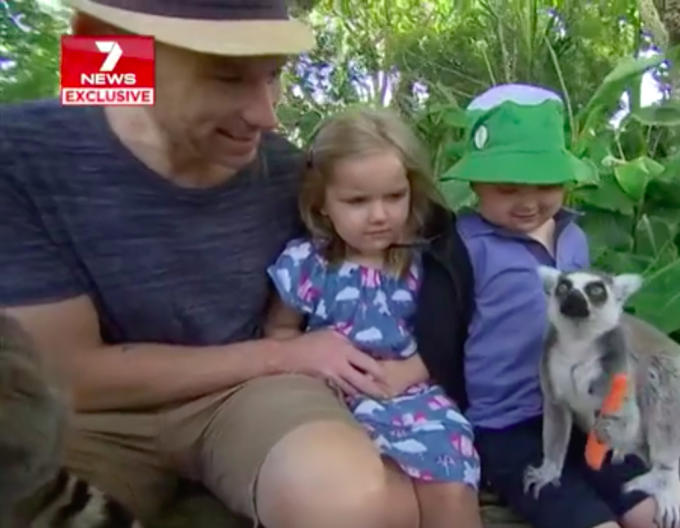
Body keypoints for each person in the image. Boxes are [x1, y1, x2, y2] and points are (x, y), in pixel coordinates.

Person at [0, 1, 475, 527]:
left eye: (273, 76)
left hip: (252, 400)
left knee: (349, 504)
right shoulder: (24, 155)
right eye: (226, 77)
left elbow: (416, 239)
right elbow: (64, 376)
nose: (266, 115)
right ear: (109, 40)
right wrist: (282, 354)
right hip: (91, 419)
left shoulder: (286, 172)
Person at [444, 84, 680, 528]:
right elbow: (441, 336)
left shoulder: (574, 236)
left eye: (546, 185)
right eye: (509, 188)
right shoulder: (463, 246)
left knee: (659, 515)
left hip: (582, 411)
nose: (530, 201)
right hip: (508, 426)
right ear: (475, 182)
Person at [264, 107, 484, 528]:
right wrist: (313, 371)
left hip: (416, 394)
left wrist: (411, 373)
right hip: (336, 400)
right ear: (322, 203)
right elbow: (280, 331)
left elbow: (452, 334)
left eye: (394, 197)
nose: (379, 214)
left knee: (451, 485)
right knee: (370, 495)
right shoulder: (306, 264)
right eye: (357, 201)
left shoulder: (427, 259)